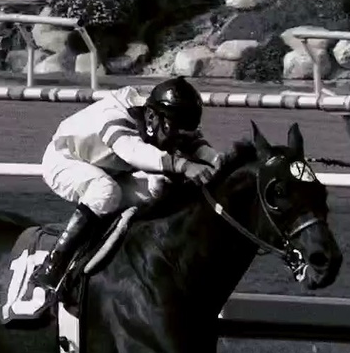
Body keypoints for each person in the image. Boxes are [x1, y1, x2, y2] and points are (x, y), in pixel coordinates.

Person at [26, 77, 225, 307]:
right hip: (65, 159)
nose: (178, 139)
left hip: (110, 169)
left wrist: (220, 161)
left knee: (155, 197)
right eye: (174, 129)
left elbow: (195, 144)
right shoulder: (117, 112)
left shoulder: (162, 113)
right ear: (151, 117)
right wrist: (184, 165)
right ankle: (53, 266)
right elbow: (132, 152)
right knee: (105, 192)